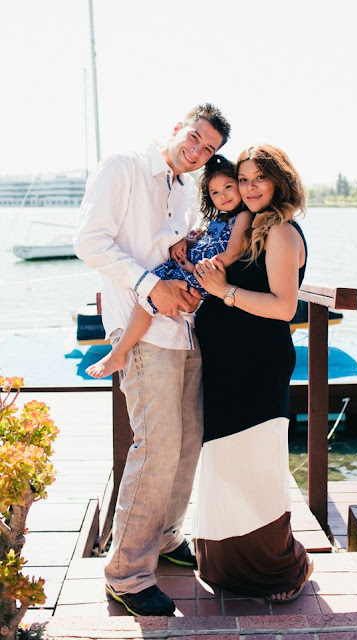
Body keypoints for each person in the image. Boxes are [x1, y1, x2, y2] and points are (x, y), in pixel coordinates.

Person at [74, 104, 231, 617]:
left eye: (209, 149)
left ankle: (164, 537)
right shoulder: (123, 166)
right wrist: (149, 284)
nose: (198, 151)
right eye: (195, 137)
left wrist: (185, 247)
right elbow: (89, 241)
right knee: (157, 447)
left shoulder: (185, 189)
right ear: (177, 127)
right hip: (141, 325)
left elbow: (167, 248)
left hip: (182, 327)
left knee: (187, 440)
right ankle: (127, 573)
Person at [192, 144, 314, 603]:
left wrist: (224, 291)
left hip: (257, 365)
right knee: (225, 463)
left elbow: (284, 307)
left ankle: (282, 569)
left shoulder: (280, 231)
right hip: (226, 364)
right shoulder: (250, 226)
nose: (249, 187)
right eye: (243, 179)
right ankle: (227, 564)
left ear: (280, 180)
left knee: (255, 466)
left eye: (259, 178)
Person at [85, 155, 252, 379]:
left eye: (228, 187)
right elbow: (206, 243)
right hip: (189, 268)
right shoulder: (220, 220)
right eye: (215, 192)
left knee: (149, 299)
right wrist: (184, 242)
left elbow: (231, 253)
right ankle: (120, 351)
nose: (223, 195)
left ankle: (119, 353)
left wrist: (194, 269)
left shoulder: (243, 216)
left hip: (204, 275)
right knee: (150, 288)